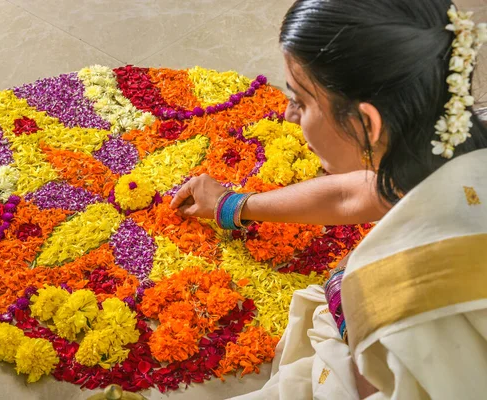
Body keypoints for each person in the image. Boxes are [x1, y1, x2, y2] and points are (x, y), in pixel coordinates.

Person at [171, 0, 487, 399]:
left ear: (365, 122)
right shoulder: (457, 141)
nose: (287, 114)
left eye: (301, 101)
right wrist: (232, 205)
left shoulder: (411, 310)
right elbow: (355, 193)